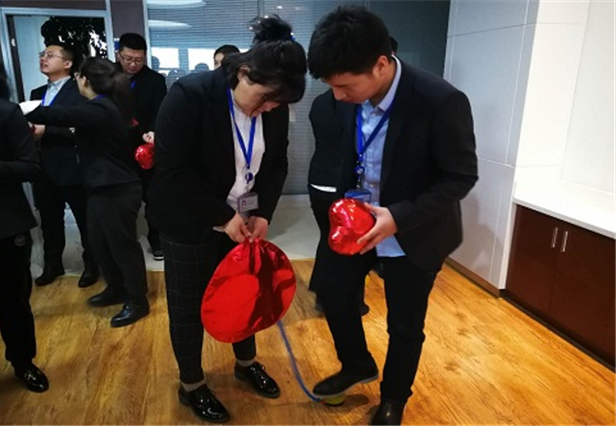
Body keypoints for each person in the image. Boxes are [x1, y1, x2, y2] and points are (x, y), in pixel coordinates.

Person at [307, 6, 478, 425]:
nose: (338, 97)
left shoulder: (440, 101)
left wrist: (398, 217)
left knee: (404, 325)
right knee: (332, 292)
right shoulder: (348, 98)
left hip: (413, 230)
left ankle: (394, 398)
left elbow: (460, 177)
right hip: (357, 223)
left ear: (380, 65)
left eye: (344, 86)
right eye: (332, 87)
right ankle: (357, 364)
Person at [147, 15, 306, 423]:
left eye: (277, 104)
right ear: (244, 72)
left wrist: (263, 213)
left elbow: (276, 164)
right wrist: (223, 216)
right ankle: (191, 384)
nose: (269, 109)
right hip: (189, 221)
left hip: (244, 219)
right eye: (265, 99)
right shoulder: (190, 95)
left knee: (245, 294)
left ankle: (245, 362)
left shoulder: (271, 104)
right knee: (187, 306)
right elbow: (172, 168)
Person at [24, 57, 150, 328]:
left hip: (116, 188)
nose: (77, 81)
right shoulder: (106, 106)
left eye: (78, 76)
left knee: (123, 247)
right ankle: (116, 288)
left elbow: (60, 115)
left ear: (85, 80)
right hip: (99, 187)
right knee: (100, 243)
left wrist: (22, 110)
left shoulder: (101, 107)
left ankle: (138, 300)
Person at [0, 51, 49, 392]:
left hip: (1, 222)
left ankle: (23, 362)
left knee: (11, 302)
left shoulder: (2, 111)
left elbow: (30, 166)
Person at [30, 42, 98, 288]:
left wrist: (47, 130)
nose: (44, 58)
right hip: (43, 166)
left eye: (51, 55)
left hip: (72, 164)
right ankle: (52, 264)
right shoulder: (37, 93)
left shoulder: (79, 89)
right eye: (43, 54)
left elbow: (83, 126)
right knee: (49, 220)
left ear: (68, 63)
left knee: (84, 219)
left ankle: (92, 265)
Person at [307, 89, 370, 316]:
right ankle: (346, 301)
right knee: (351, 244)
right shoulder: (358, 103)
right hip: (344, 183)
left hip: (318, 180)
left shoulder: (319, 102)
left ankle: (322, 292)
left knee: (327, 237)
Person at [116, 33, 167, 261]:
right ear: (119, 54)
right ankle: (125, 240)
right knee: (122, 198)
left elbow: (160, 110)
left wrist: (154, 130)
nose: (133, 64)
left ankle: (156, 239)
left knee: (153, 197)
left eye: (138, 60)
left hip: (145, 146)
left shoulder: (154, 80)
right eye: (128, 59)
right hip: (116, 147)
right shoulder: (108, 76)